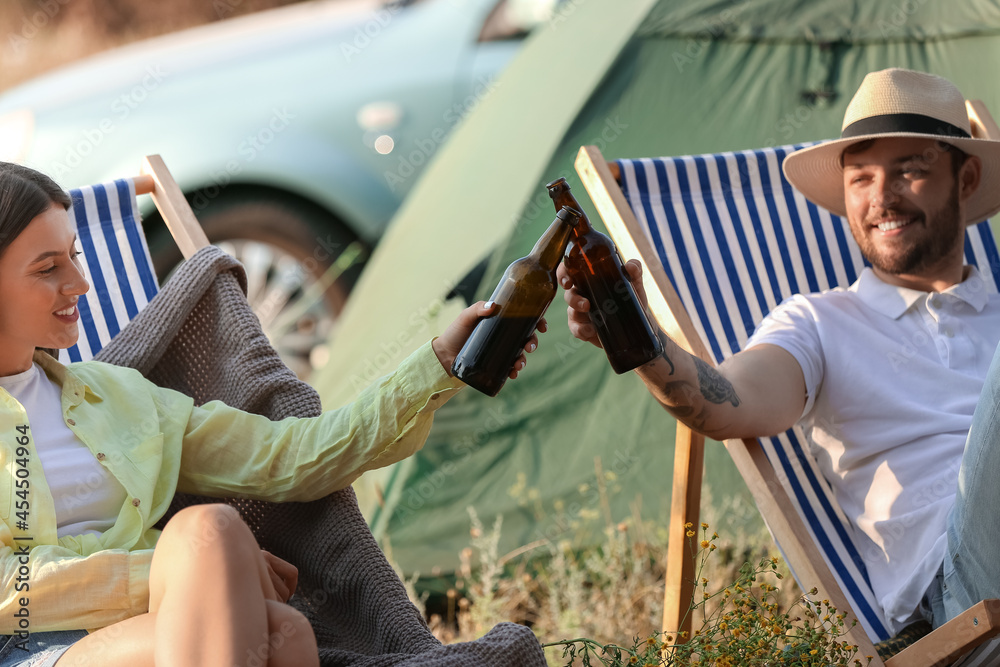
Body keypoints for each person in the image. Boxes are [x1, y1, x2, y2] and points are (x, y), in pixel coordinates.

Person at [0, 161, 545, 666]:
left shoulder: (116, 398)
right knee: (216, 549)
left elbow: (291, 457)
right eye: (48, 268)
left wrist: (439, 365)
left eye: (74, 255)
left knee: (285, 629)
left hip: (171, 626)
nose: (79, 283)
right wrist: (209, 569)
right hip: (31, 647)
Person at [561, 68, 1000, 637]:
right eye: (860, 178)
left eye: (910, 170)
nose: (881, 199)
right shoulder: (818, 324)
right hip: (961, 588)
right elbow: (725, 402)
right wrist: (641, 342)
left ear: (965, 179)